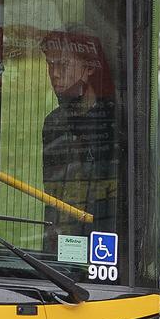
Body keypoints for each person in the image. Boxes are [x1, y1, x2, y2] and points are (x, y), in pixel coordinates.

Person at [39, 26, 118, 247]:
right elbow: (53, 194)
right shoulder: (54, 124)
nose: (54, 74)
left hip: (107, 241)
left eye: (62, 65)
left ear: (90, 67)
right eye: (50, 64)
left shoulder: (116, 123)